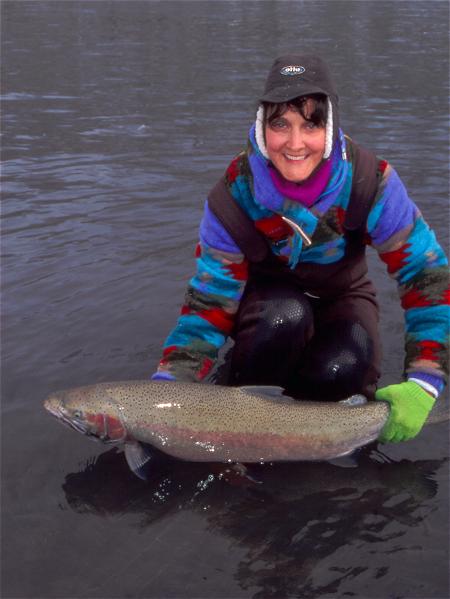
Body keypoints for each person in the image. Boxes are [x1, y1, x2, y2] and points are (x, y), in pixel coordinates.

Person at [152, 54, 449, 444]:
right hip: (268, 304)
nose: (295, 144)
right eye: (280, 124)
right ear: (262, 128)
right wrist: (166, 390)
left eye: (311, 124)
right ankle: (242, 428)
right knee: (283, 317)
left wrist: (426, 379)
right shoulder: (232, 196)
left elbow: (425, 277)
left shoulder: (368, 181)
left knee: (344, 367)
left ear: (331, 127)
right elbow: (209, 302)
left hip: (344, 295)